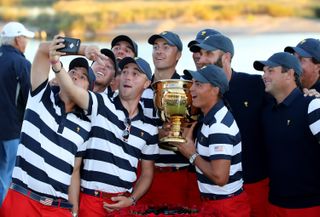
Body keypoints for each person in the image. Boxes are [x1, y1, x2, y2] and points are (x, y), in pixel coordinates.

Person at [53, 37, 159, 216]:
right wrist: (57, 67)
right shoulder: (100, 103)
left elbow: (147, 173)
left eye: (135, 73)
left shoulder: (149, 127)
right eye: (124, 71)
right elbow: (72, 90)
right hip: (90, 202)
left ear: (147, 83)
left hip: (123, 204)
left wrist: (132, 199)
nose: (128, 77)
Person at [0, 37, 96, 217]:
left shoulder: (85, 125)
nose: (75, 75)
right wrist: (83, 50)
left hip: (58, 209)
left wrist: (74, 208)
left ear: (89, 92)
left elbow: (74, 171)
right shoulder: (40, 95)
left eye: (83, 77)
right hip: (22, 200)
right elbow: (44, 50)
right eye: (73, 71)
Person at [189, 33, 269, 217]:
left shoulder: (255, 84)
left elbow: (285, 103)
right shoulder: (197, 92)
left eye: (208, 53)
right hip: (215, 192)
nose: (201, 59)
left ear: (226, 57)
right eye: (199, 54)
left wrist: (310, 95)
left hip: (255, 185)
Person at [138, 30, 201, 211]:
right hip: (143, 175)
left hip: (178, 174)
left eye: (166, 47)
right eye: (156, 47)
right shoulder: (140, 88)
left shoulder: (190, 88)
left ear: (178, 55)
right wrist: (156, 134)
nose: (159, 51)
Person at [176, 64, 250, 217]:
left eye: (198, 84)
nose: (191, 89)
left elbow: (220, 177)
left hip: (225, 208)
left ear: (215, 90)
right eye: (192, 83)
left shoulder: (219, 125)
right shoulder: (213, 118)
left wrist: (191, 154)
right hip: (220, 204)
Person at [253, 52, 320, 217]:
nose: (264, 76)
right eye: (264, 72)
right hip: (274, 204)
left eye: (270, 71)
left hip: (308, 207)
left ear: (289, 74)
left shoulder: (312, 106)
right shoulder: (268, 112)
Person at [0, 21, 34, 206]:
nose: (26, 42)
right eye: (25, 38)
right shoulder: (21, 63)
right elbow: (31, 96)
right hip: (12, 130)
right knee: (10, 177)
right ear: (17, 39)